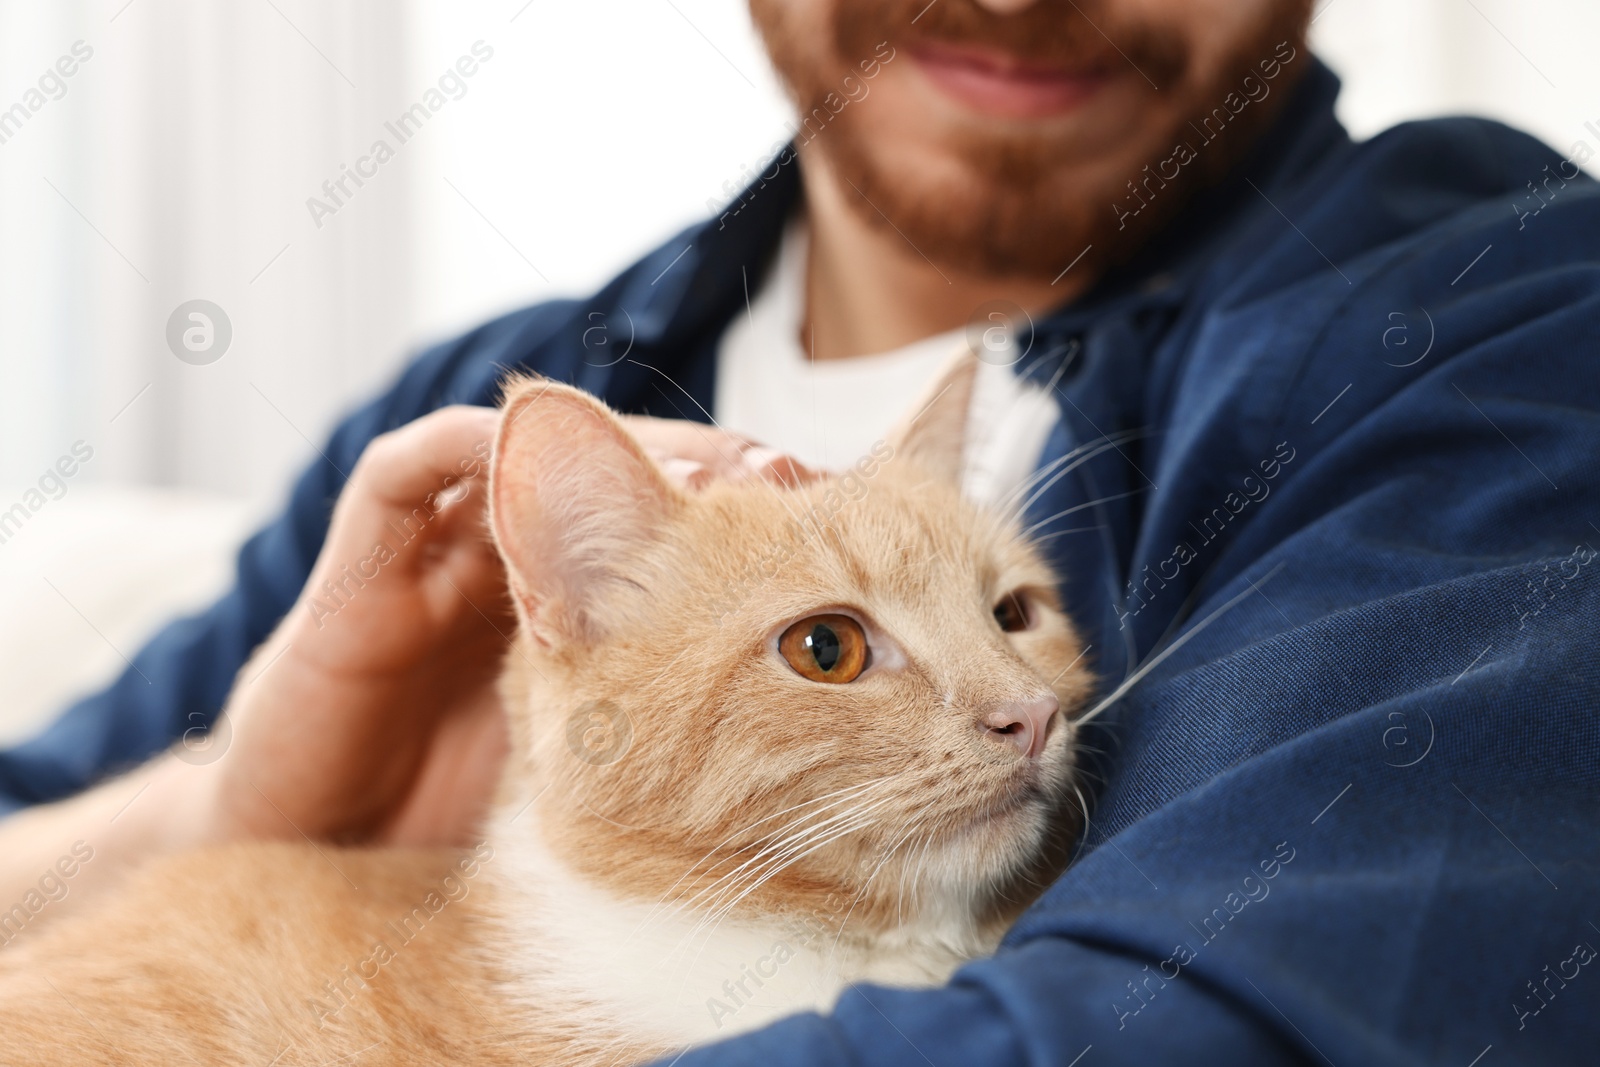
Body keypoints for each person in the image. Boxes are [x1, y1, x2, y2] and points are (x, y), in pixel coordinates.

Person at [3, 0, 1598, 1061]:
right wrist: (214, 811)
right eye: (834, 644)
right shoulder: (463, 425)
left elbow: (1217, 1024)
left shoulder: (1498, 325)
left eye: (1016, 615)